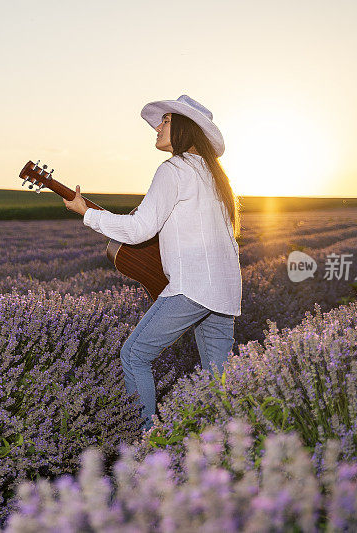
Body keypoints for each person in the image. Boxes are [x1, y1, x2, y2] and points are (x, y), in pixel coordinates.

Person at [63, 94, 242, 432]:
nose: (158, 127)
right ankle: (230, 450)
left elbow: (139, 229)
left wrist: (86, 213)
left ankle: (149, 445)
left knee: (133, 357)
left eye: (166, 121)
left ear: (185, 128)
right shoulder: (214, 175)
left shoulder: (174, 169)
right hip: (225, 293)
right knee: (220, 382)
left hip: (192, 288)